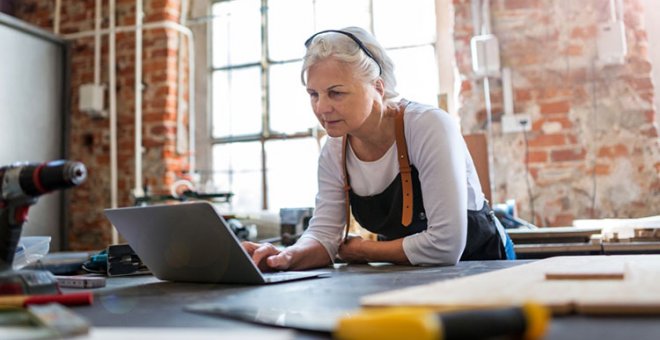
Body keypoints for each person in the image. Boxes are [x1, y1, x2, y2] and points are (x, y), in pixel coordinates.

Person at [242, 26, 515, 272]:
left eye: (336, 92)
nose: (321, 108)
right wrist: (287, 256)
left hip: (483, 269)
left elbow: (445, 246)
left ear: (378, 87)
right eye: (314, 94)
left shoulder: (428, 126)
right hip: (408, 276)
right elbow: (324, 236)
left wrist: (364, 250)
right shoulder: (334, 150)